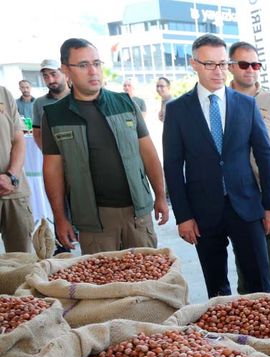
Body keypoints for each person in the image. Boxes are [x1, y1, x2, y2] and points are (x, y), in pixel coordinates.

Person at [163, 34, 270, 298]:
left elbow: (265, 156)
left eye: (223, 64)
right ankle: (225, 338)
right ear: (194, 64)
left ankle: (268, 338)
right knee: (217, 289)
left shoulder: (246, 104)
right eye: (210, 64)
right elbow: (172, 166)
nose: (218, 71)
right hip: (203, 212)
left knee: (261, 283)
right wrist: (183, 216)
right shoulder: (178, 110)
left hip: (247, 207)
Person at [42, 38, 168, 254]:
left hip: (137, 214)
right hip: (94, 220)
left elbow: (148, 154)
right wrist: (61, 218)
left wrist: (160, 195)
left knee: (145, 282)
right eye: (83, 65)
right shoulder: (54, 115)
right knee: (102, 284)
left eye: (97, 63)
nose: (93, 71)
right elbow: (52, 170)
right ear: (66, 70)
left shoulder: (125, 103)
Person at [228, 41, 270, 295]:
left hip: (269, 189)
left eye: (255, 65)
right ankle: (248, 309)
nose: (251, 70)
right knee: (244, 254)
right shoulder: (222, 101)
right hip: (236, 193)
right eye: (244, 64)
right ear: (231, 66)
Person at [0, 85, 32, 253]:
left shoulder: (3, 93)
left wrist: (11, 176)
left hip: (13, 191)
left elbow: (18, 139)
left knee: (22, 260)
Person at [32, 59, 70, 150]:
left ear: (66, 75)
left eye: (54, 74)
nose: (50, 80)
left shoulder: (79, 98)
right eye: (45, 76)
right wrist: (48, 153)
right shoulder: (39, 103)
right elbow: (37, 133)